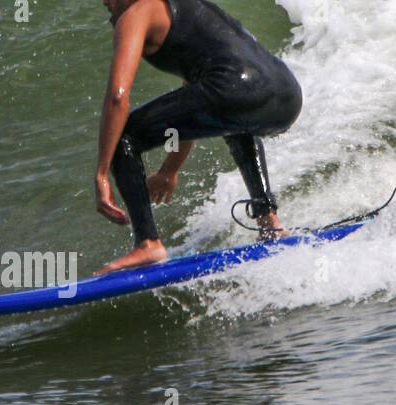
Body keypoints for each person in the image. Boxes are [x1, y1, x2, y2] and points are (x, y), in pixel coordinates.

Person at [93, 0, 303, 274]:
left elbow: (117, 99)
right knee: (234, 119)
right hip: (287, 94)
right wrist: (170, 170)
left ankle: (148, 243)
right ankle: (269, 222)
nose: (105, 3)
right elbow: (196, 104)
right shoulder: (193, 10)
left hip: (237, 91)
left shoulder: (137, 12)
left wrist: (102, 173)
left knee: (124, 136)